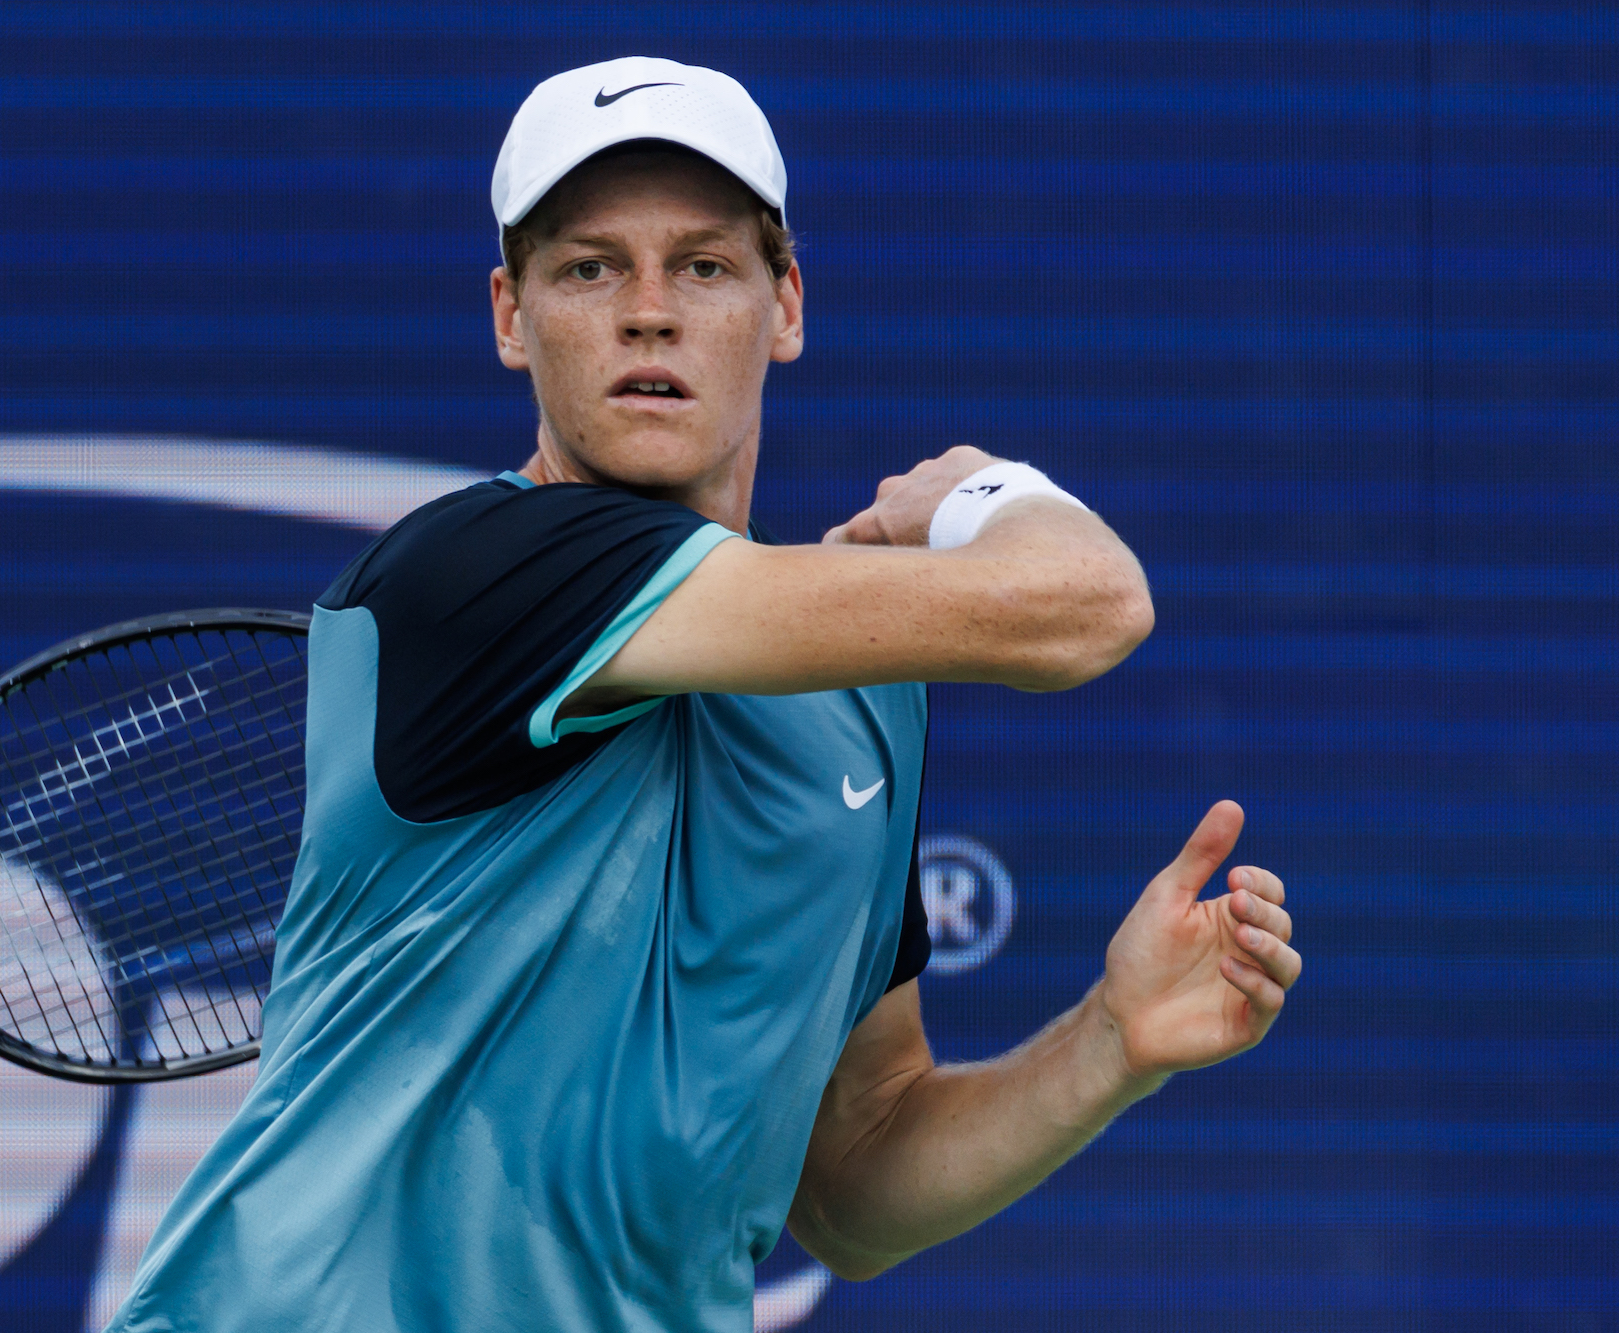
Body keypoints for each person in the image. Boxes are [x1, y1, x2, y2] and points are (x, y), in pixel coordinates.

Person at [105, 56, 1301, 1333]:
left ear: (784, 304)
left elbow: (853, 1182)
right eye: (588, 268)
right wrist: (978, 489)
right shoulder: (475, 575)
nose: (648, 312)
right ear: (511, 317)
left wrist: (1107, 1044)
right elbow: (1087, 601)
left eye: (704, 266)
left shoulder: (864, 704)